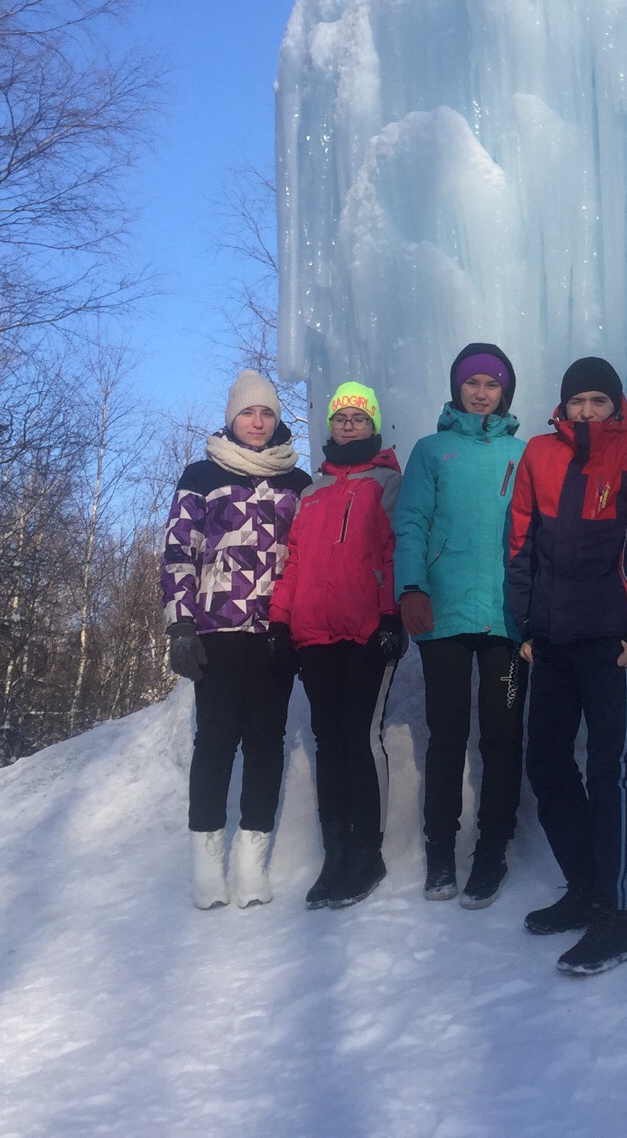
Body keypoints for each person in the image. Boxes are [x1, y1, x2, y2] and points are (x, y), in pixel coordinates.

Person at [506, 357, 627, 975]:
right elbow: (522, 542)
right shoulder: (539, 453)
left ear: (616, 404)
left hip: (612, 641)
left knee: (611, 769)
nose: (587, 411)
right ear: (562, 405)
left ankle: (620, 915)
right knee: (547, 762)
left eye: (598, 400)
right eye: (577, 401)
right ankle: (585, 886)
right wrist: (523, 624)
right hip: (552, 640)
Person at [162, 371, 311, 910]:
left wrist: (302, 627)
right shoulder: (203, 473)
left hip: (276, 629)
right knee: (216, 742)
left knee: (266, 743)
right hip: (217, 627)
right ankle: (206, 865)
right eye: (248, 413)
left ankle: (251, 863)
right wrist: (180, 623)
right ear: (232, 417)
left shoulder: (298, 482)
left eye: (266, 413)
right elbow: (181, 548)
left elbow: (310, 559)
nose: (256, 422)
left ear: (276, 420)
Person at [394, 344, 528, 907]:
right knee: (446, 735)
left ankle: (492, 849)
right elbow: (412, 521)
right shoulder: (431, 451)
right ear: (456, 389)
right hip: (444, 611)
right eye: (470, 382)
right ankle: (441, 851)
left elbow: (537, 534)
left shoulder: (525, 454)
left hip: (505, 615)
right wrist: (411, 587)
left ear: (505, 393)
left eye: (491, 384)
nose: (480, 392)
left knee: (501, 736)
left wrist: (535, 605)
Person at [269, 381, 405, 910]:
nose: (349, 425)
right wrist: (282, 622)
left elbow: (397, 551)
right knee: (329, 742)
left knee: (360, 737)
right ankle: (336, 852)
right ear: (330, 426)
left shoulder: (387, 482)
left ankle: (367, 854)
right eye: (341, 417)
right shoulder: (312, 491)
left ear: (373, 425)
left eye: (359, 418)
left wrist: (393, 616)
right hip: (314, 632)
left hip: (367, 628)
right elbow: (295, 562)